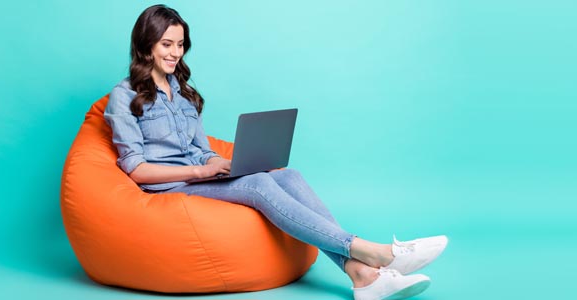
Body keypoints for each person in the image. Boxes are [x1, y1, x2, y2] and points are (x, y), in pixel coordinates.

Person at [103, 5, 449, 300]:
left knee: (285, 175)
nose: (175, 53)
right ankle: (371, 253)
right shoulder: (124, 96)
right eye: (167, 44)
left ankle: (363, 277)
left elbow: (201, 150)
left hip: (201, 175)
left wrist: (222, 164)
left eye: (180, 44)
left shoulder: (184, 92)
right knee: (260, 186)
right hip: (169, 185)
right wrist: (198, 172)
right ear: (146, 45)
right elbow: (136, 170)